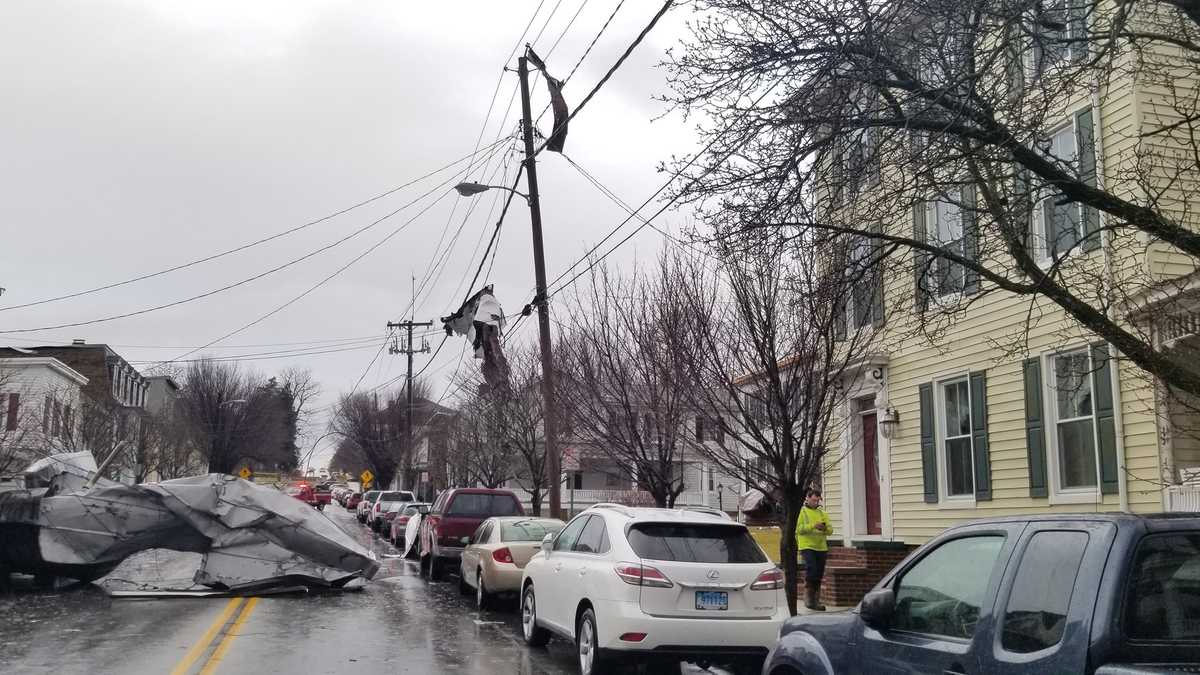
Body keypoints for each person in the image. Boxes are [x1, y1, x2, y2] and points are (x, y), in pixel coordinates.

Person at [796, 487, 831, 611]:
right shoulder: (802, 512)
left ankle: (816, 600)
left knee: (819, 573)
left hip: (821, 547)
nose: (816, 503)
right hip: (807, 546)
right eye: (814, 500)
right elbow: (798, 529)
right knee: (812, 569)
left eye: (818, 500)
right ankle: (809, 598)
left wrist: (824, 528)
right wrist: (813, 526)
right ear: (808, 498)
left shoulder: (822, 513)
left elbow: (830, 530)